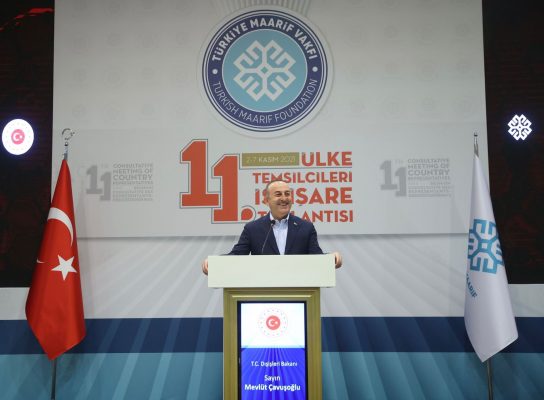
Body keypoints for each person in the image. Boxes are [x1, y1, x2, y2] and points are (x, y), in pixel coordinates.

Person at [201, 179, 342, 274]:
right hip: (263, 294)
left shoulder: (306, 227)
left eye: (287, 194)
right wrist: (215, 263)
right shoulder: (253, 229)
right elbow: (236, 256)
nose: (284, 198)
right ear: (266, 200)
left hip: (298, 292)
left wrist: (331, 258)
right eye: (278, 194)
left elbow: (316, 258)